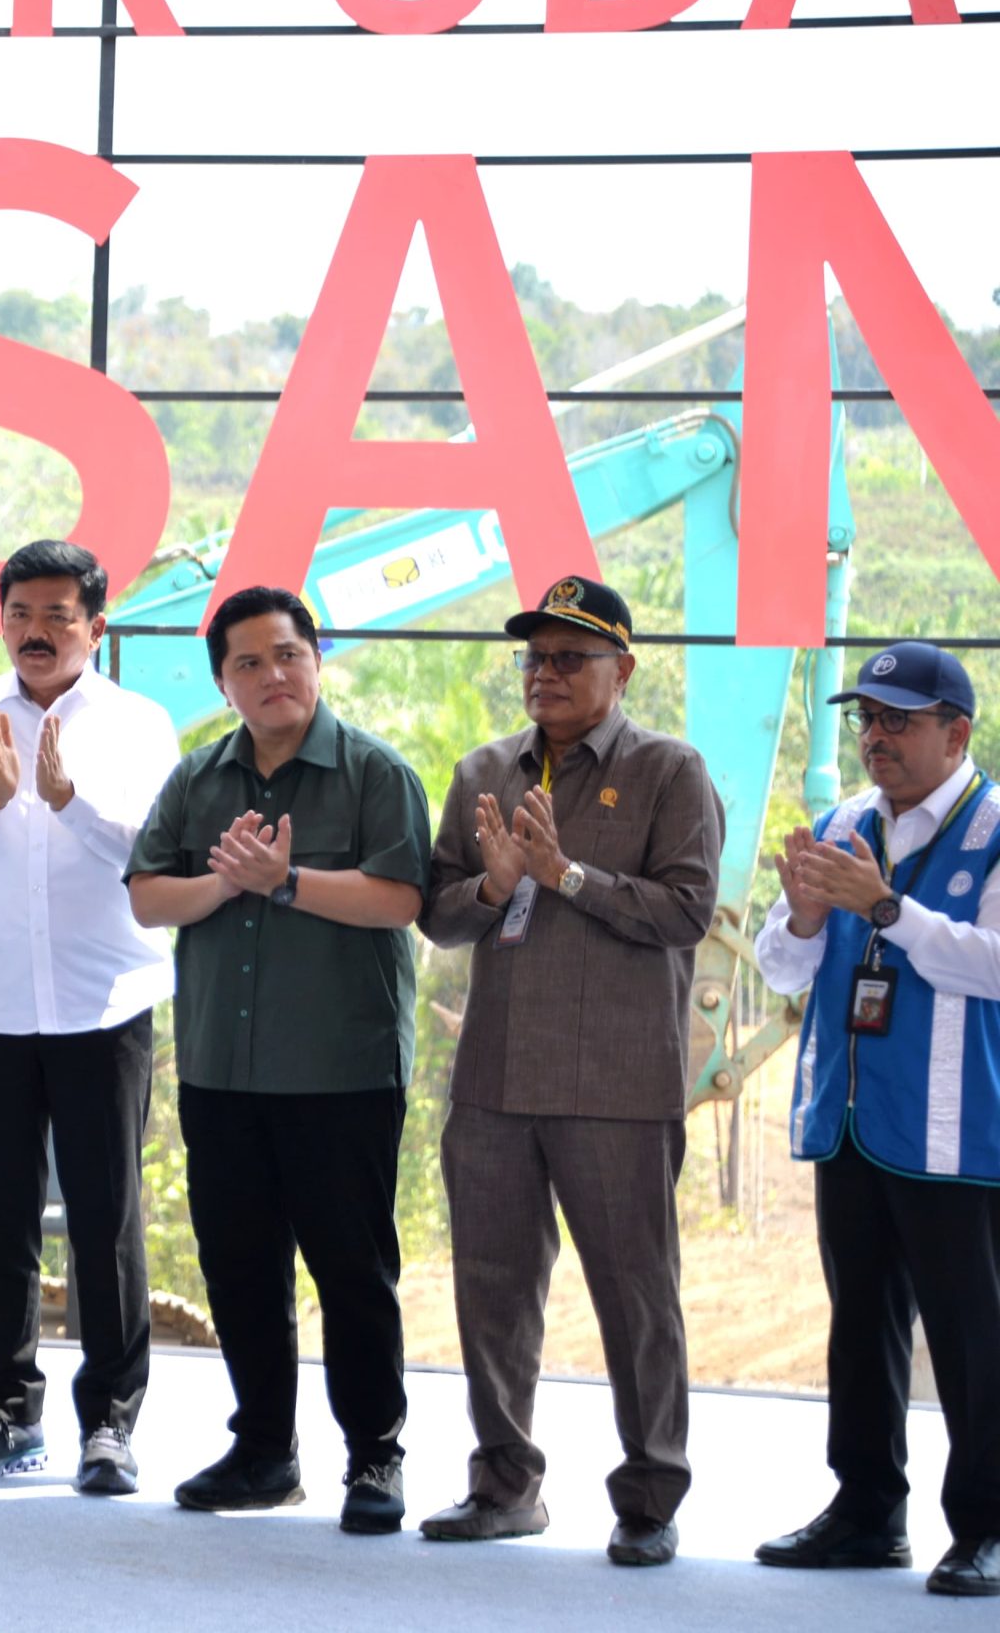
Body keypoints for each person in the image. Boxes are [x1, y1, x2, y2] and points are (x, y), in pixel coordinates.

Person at [417, 573, 719, 1566]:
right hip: (496, 1080)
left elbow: (683, 912)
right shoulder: (481, 773)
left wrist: (565, 877)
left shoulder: (671, 771)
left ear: (621, 669)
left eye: (569, 657)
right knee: (492, 1288)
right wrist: (494, 881)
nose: (545, 675)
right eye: (534, 657)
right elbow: (438, 912)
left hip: (619, 1085)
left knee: (636, 1293)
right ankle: (504, 1484)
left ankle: (648, 1496)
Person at [124, 586, 428, 1534]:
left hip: (340, 1069)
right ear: (224, 681)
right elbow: (145, 897)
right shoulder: (198, 778)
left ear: (317, 660)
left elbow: (399, 898)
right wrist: (226, 881)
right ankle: (264, 1451)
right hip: (221, 1068)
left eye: (287, 654)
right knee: (242, 1268)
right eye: (248, 663)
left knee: (351, 1271)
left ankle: (375, 1454)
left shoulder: (373, 771)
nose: (272, 676)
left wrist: (285, 881)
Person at [0, 539, 178, 1497]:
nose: (37, 631)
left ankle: (111, 1424)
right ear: (1, 619)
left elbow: (157, 855)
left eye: (60, 615)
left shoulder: (138, 723)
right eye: (21, 613)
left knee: (105, 1218)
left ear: (96, 625)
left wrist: (68, 801)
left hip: (106, 1003)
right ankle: (7, 1413)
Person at [753, 640, 1000, 1599]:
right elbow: (781, 968)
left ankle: (983, 1526)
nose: (876, 737)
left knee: (974, 1336)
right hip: (848, 1118)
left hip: (956, 1129)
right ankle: (865, 1512)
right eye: (867, 718)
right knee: (861, 1323)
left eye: (898, 719)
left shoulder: (993, 828)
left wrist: (886, 906)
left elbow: (991, 964)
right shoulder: (846, 819)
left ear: (957, 732)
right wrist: (809, 917)